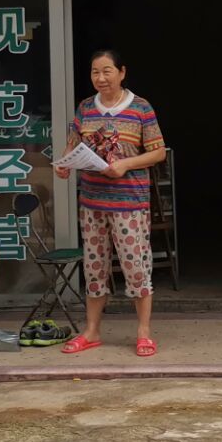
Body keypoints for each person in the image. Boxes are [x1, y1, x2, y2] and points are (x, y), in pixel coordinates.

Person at [53, 50, 167, 356]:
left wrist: (125, 165)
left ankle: (143, 332)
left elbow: (158, 152)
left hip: (130, 203)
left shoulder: (140, 107)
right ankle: (91, 331)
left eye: (107, 71)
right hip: (92, 202)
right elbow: (73, 143)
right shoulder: (85, 107)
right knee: (94, 268)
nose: (101, 78)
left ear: (122, 72)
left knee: (136, 266)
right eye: (95, 72)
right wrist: (64, 164)